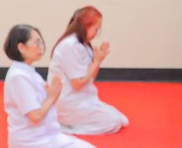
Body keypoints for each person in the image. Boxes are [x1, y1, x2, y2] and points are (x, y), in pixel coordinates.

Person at [3, 25, 98, 148]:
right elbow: (35, 116)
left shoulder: (27, 72)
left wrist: (49, 96)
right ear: (21, 47)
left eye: (41, 42)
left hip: (45, 135)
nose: (41, 47)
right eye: (36, 43)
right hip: (31, 141)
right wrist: (52, 97)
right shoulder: (18, 76)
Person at [49, 7, 129, 135]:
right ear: (85, 26)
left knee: (123, 120)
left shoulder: (84, 45)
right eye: (96, 29)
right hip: (70, 104)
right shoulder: (69, 46)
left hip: (84, 99)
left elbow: (90, 77)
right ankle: (66, 128)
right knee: (114, 123)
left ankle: (70, 123)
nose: (97, 33)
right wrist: (96, 61)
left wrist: (98, 60)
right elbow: (78, 84)